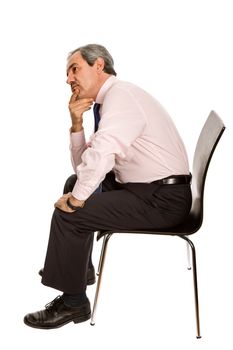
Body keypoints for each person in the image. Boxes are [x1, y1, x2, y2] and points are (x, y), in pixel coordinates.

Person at [24, 44, 192, 329]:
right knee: (75, 182)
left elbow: (101, 155)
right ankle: (78, 268)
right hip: (146, 188)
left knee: (70, 214)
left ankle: (74, 303)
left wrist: (76, 202)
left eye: (74, 69)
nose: (68, 79)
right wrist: (76, 123)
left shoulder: (121, 97)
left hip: (162, 200)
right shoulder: (113, 98)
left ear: (98, 65)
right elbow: (83, 168)